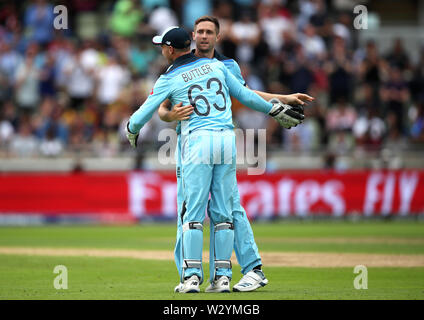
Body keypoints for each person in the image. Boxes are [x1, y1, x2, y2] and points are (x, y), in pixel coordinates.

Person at [126, 26, 304, 293]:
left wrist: (131, 130)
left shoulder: (169, 77)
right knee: (223, 212)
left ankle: (192, 277)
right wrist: (275, 109)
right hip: (226, 140)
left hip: (198, 141)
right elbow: (245, 96)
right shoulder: (216, 66)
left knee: (192, 212)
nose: (161, 51)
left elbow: (143, 113)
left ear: (171, 49)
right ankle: (222, 277)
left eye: (162, 46)